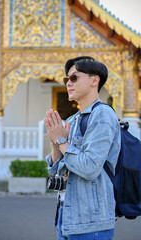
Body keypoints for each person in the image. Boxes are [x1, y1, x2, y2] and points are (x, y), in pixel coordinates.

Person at [44, 56, 121, 240]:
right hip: (66, 214)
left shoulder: (102, 114)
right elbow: (55, 169)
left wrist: (61, 140)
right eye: (66, 79)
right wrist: (55, 141)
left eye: (74, 77)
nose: (68, 83)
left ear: (95, 80)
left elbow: (89, 168)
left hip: (90, 220)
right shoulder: (72, 120)